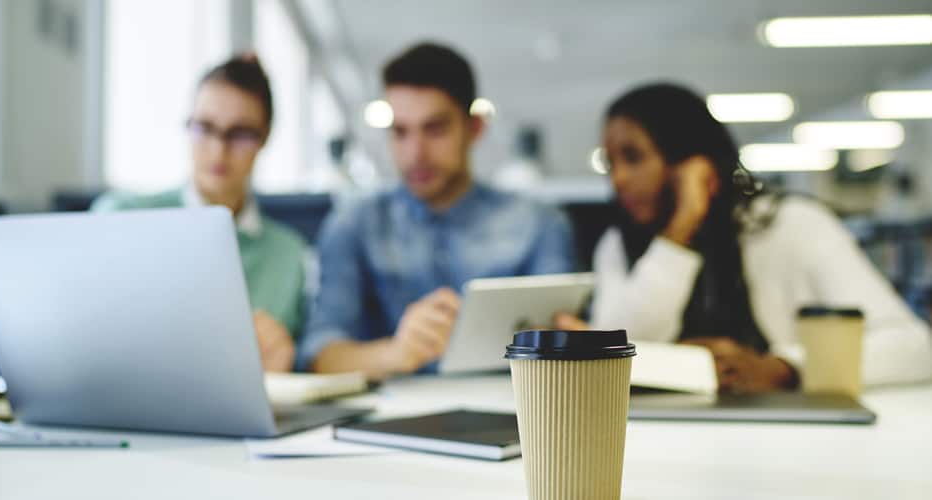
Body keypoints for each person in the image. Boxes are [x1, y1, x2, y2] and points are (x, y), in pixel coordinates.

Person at [556, 82, 932, 393]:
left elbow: (913, 347)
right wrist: (680, 230)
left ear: (687, 158)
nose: (618, 179)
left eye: (633, 157)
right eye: (610, 164)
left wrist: (785, 367)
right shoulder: (618, 245)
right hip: (658, 442)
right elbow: (614, 360)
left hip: (789, 444)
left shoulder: (790, 225)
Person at [301, 42, 574, 379]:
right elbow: (319, 355)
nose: (415, 153)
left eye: (435, 129)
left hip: (514, 418)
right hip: (386, 420)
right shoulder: (353, 224)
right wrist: (397, 352)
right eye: (400, 132)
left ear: (474, 128)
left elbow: (567, 342)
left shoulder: (540, 224)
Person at [92, 54, 305, 373]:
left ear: (265, 138)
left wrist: (280, 365)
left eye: (240, 133)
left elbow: (298, 362)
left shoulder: (288, 255)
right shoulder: (122, 218)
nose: (219, 150)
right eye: (205, 128)